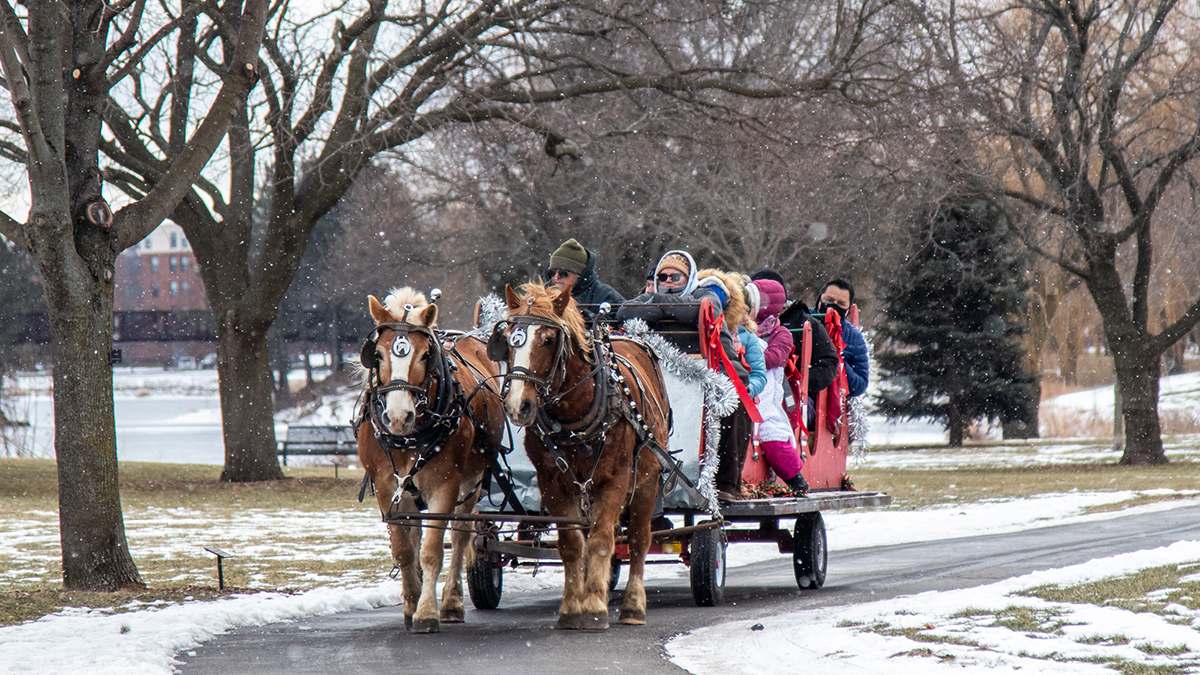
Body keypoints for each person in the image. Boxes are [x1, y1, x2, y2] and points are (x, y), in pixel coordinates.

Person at [616, 253, 754, 502]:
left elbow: (699, 311)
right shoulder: (650, 296)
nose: (668, 281)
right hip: (658, 374)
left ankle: (725, 484)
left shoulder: (705, 294)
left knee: (733, 407)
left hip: (714, 371)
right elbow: (625, 311)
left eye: (675, 276)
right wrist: (666, 304)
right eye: (662, 277)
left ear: (689, 278)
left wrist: (655, 305)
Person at [747, 279, 809, 496]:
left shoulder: (780, 332)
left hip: (766, 395)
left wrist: (747, 358)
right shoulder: (741, 329)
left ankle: (795, 478)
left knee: (772, 436)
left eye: (750, 303)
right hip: (744, 389)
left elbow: (776, 357)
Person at [750, 268, 839, 397]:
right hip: (756, 388)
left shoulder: (804, 322)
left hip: (795, 393)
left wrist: (799, 383)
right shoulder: (744, 321)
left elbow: (828, 362)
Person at [817, 278, 869, 398]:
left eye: (841, 304)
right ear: (820, 299)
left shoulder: (854, 338)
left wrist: (837, 360)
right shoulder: (802, 320)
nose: (833, 307)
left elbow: (860, 385)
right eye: (829, 300)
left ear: (847, 309)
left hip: (831, 402)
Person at [546, 238, 624, 317]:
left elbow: (625, 323)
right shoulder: (542, 296)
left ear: (579, 275)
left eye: (563, 273)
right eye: (552, 272)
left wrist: (587, 319)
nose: (556, 276)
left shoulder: (606, 295)